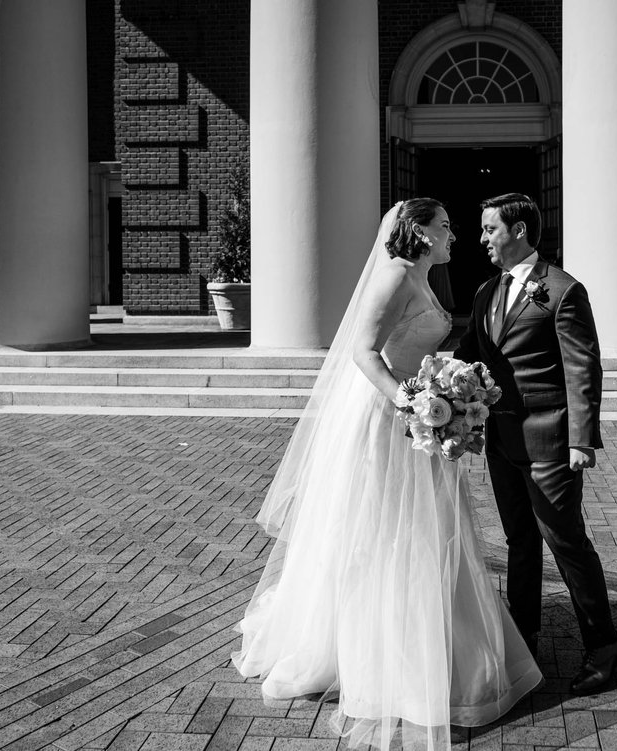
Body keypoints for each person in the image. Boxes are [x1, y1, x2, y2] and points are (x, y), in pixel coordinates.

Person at [232, 198, 542, 751]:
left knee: (427, 532)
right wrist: (412, 402)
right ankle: (378, 653)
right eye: (445, 226)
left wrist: (449, 383)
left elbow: (416, 347)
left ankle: (434, 641)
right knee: (387, 533)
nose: (455, 235)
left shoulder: (425, 280)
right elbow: (363, 351)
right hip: (389, 419)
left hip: (422, 417)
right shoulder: (396, 275)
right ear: (417, 232)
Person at [454, 193, 617, 696]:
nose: (482, 239)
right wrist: (426, 384)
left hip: (550, 441)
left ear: (520, 231)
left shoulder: (564, 291)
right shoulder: (486, 291)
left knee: (566, 542)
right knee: (520, 544)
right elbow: (468, 353)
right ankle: (524, 635)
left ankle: (604, 645)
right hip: (501, 442)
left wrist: (581, 440)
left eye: (490, 229)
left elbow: (582, 367)